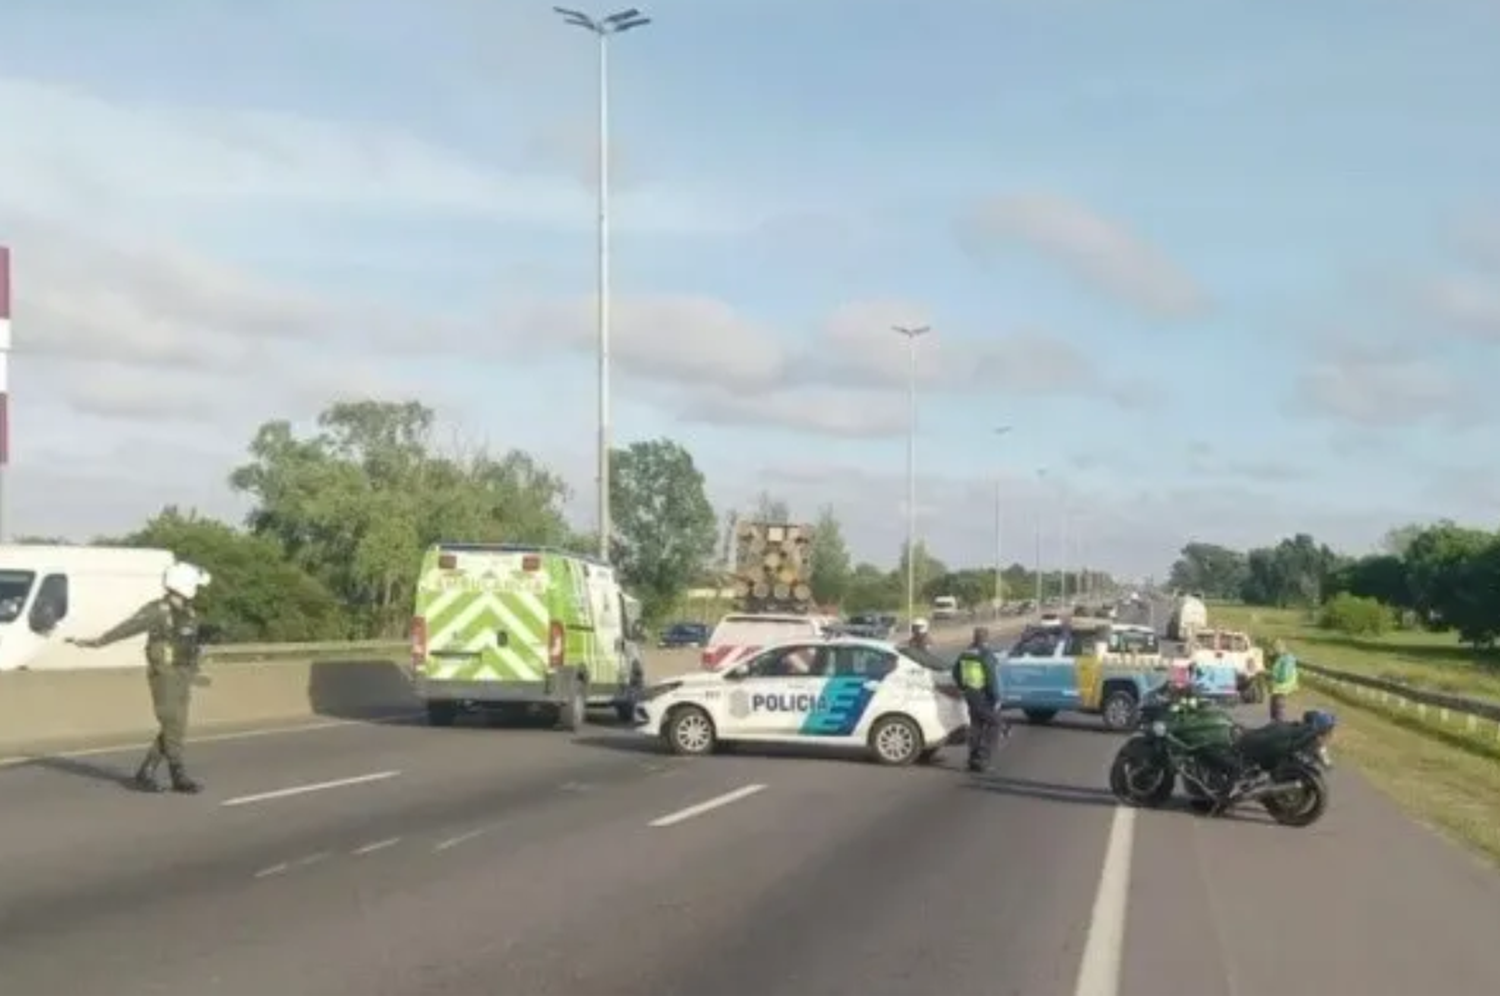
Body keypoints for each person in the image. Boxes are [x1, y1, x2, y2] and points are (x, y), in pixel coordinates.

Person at [70, 561, 213, 794]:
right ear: (185, 584)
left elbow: (190, 643)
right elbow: (129, 627)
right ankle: (178, 774)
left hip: (183, 672)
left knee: (175, 725)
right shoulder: (158, 610)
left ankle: (146, 771)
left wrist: (202, 648)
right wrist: (98, 642)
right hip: (165, 674)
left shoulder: (189, 612)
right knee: (173, 722)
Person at [952, 626, 1009, 772]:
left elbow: (955, 671)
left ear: (974, 637)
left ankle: (973, 760)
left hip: (970, 694)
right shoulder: (985, 654)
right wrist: (995, 696)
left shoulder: (965, 652)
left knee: (976, 725)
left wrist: (963, 686)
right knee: (996, 723)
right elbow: (990, 677)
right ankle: (983, 759)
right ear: (986, 638)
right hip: (983, 694)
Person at [1268, 639, 1299, 722]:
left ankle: (1280, 730)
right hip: (1276, 689)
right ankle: (1274, 728)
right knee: (1274, 712)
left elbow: (1283, 677)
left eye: (1275, 648)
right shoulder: (1280, 658)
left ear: (1282, 647)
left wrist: (1270, 674)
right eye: (1273, 648)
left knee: (1279, 712)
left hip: (1281, 690)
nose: (1273, 650)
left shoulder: (1287, 659)